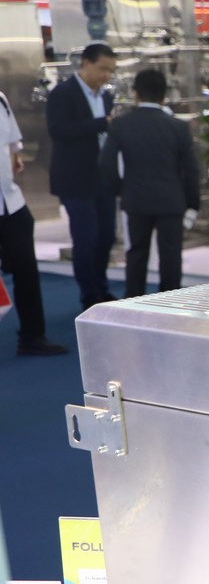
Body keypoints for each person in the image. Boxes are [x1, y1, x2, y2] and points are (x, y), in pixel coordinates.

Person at [96, 69, 199, 298]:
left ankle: (134, 302)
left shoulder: (121, 125)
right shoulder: (178, 127)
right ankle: (170, 304)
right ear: (164, 96)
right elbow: (191, 170)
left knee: (136, 254)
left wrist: (121, 189)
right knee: (171, 256)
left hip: (136, 198)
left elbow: (106, 163)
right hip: (171, 200)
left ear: (136, 94)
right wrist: (193, 204)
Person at [47, 43, 119, 310]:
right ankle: (89, 295)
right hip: (75, 179)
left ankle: (101, 287)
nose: (106, 76)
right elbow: (58, 130)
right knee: (85, 238)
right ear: (86, 64)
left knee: (106, 237)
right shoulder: (63, 93)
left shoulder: (106, 97)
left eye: (110, 71)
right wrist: (102, 124)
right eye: (102, 69)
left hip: (103, 178)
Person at [0, 86, 68, 354]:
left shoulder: (1, 99)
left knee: (26, 269)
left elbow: (13, 142)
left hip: (11, 202)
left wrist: (15, 157)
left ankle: (32, 337)